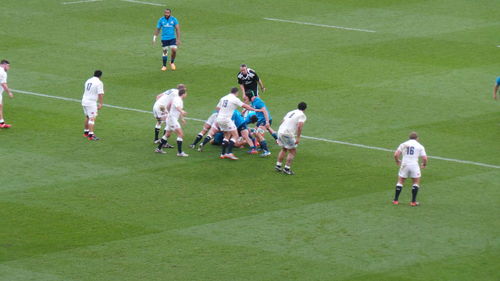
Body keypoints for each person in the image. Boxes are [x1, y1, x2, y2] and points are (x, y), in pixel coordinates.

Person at [215, 87, 260, 160]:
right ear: (237, 93)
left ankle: (222, 154)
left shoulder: (223, 98)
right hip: (226, 119)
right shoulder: (235, 99)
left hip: (219, 118)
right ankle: (229, 153)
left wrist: (224, 111)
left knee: (226, 136)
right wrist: (255, 109)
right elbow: (245, 106)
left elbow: (217, 108)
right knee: (235, 135)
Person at [392, 132, 428, 206]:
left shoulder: (403, 144)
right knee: (415, 183)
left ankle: (395, 200)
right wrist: (424, 164)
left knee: (400, 181)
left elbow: (396, 154)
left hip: (404, 164)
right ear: (417, 138)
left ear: (409, 138)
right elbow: (424, 158)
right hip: (414, 165)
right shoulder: (420, 146)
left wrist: (397, 161)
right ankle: (413, 202)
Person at [275, 102, 307, 175]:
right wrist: (298, 137)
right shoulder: (302, 115)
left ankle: (278, 165)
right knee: (292, 151)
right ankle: (286, 169)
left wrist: (279, 134)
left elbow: (282, 121)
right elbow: (299, 126)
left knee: (284, 148)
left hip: (280, 131)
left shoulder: (291, 112)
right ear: (305, 109)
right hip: (287, 133)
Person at [155, 88, 189, 156]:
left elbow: (168, 106)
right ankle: (180, 153)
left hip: (171, 118)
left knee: (167, 134)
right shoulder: (178, 99)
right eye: (186, 93)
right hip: (172, 119)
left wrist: (181, 118)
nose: (186, 95)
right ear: (183, 94)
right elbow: (177, 107)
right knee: (181, 134)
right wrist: (181, 111)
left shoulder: (178, 99)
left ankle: (158, 149)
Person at [245, 91, 277, 157]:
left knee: (258, 134)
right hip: (260, 120)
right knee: (255, 133)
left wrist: (267, 122)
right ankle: (262, 147)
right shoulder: (253, 101)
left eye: (246, 97)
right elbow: (252, 106)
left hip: (265, 120)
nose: (245, 98)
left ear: (249, 97)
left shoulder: (258, 101)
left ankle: (267, 151)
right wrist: (244, 110)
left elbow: (264, 111)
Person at [81, 70, 104, 141]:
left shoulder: (88, 80)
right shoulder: (99, 83)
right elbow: (100, 94)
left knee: (87, 116)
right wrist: (100, 103)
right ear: (100, 76)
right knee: (92, 118)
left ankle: (86, 132)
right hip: (91, 103)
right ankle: (91, 135)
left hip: (84, 101)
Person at [0, 60, 14, 128]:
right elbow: (3, 84)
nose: (9, 67)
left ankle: (2, 123)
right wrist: (9, 92)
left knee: (0, 107)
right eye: (8, 66)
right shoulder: (3, 73)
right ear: (4, 65)